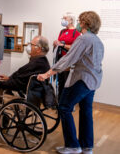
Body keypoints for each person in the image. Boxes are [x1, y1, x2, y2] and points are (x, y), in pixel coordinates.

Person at [37, 11, 104, 154]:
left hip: (81, 80)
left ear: (85, 23)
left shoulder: (83, 39)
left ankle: (73, 146)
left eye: (80, 21)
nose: (78, 24)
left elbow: (69, 59)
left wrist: (48, 73)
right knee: (86, 111)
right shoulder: (98, 41)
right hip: (93, 81)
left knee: (64, 107)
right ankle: (87, 147)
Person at [53, 12, 81, 100]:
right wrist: (56, 44)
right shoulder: (62, 31)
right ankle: (59, 101)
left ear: (71, 20)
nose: (63, 20)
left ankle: (67, 102)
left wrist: (63, 45)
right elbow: (59, 42)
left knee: (67, 82)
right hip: (60, 59)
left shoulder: (76, 33)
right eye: (62, 18)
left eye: (65, 19)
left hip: (69, 62)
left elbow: (76, 48)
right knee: (60, 82)